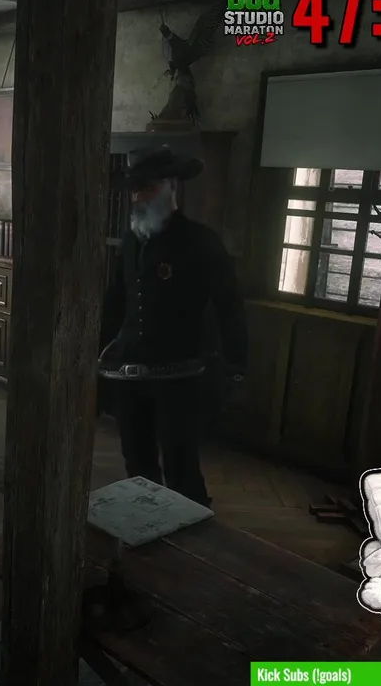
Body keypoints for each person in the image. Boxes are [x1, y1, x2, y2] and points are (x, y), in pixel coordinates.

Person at [100, 146, 248, 506]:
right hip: (129, 374)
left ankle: (192, 533)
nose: (139, 197)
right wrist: (97, 351)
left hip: (179, 377)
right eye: (135, 190)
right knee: (137, 460)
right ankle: (145, 522)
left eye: (148, 188)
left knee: (181, 466)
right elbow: (117, 301)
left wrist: (236, 367)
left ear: (171, 187)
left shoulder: (200, 241)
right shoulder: (131, 241)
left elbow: (230, 306)